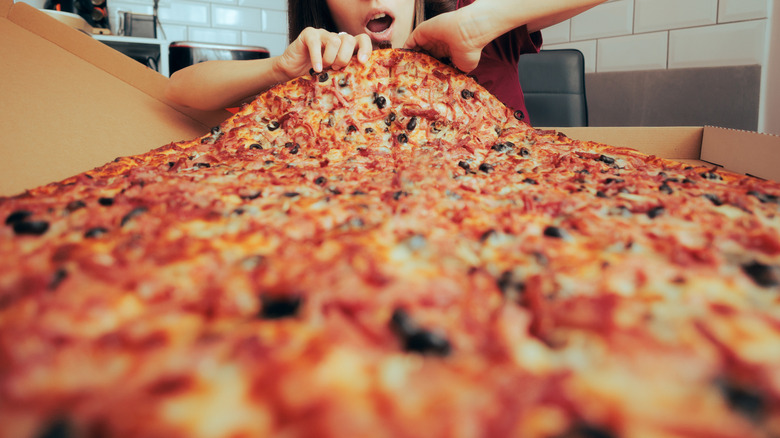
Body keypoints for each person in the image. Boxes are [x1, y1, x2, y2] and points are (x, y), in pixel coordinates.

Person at [165, 0, 605, 124]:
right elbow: (177, 92)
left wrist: (480, 20)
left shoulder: (486, 30)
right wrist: (280, 69)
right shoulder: (318, 74)